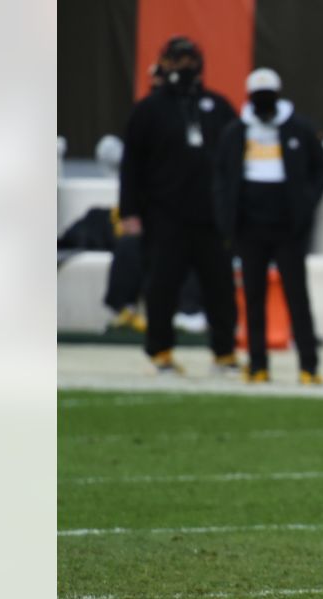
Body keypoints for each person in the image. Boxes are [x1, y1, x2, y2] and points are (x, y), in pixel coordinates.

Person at [118, 36, 239, 375]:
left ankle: (224, 352)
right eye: (178, 60)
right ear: (165, 63)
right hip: (164, 214)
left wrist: (234, 208)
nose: (185, 67)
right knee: (162, 286)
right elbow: (132, 164)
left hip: (211, 216)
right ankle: (161, 352)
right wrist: (130, 211)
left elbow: (235, 158)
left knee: (220, 287)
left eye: (190, 60)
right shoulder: (149, 109)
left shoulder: (217, 105)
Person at [214, 68, 323, 384]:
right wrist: (228, 217)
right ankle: (257, 365)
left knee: (297, 295)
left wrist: (306, 202)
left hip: (288, 228)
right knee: (252, 296)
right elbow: (222, 176)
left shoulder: (298, 128)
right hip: (249, 227)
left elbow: (322, 166)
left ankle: (309, 366)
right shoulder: (236, 132)